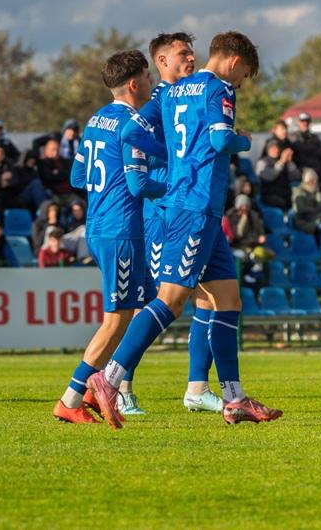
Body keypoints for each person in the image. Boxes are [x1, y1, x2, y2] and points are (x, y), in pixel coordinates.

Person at [90, 32, 281, 428]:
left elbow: (131, 133)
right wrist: (243, 141)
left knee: (228, 300)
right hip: (192, 206)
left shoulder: (168, 92)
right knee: (171, 301)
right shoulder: (219, 89)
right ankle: (109, 378)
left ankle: (234, 398)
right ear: (233, 61)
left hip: (200, 208)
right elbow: (219, 138)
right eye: (244, 73)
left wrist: (174, 155)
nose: (242, 81)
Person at [50, 50, 159, 425]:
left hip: (102, 225)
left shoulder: (96, 119)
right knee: (115, 320)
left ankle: (107, 384)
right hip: (120, 229)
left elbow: (78, 179)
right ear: (133, 83)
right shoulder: (133, 123)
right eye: (147, 76)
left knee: (150, 305)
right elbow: (137, 183)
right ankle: (72, 397)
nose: (152, 82)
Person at [139, 30, 224, 415]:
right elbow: (131, 134)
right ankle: (117, 381)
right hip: (166, 212)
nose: (191, 59)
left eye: (193, 53)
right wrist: (172, 158)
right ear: (162, 62)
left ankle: (197, 386)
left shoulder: (187, 95)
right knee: (165, 300)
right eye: (183, 54)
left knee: (210, 296)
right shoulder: (161, 97)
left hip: (192, 205)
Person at [256, 140, 299, 211]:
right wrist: (281, 162)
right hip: (269, 194)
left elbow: (296, 177)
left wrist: (290, 162)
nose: (275, 150)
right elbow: (269, 177)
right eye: (272, 148)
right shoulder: (262, 162)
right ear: (268, 150)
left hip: (285, 192)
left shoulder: (284, 162)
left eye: (277, 148)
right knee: (281, 203)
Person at [38, 137, 74, 204]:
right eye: (52, 150)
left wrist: (57, 173)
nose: (55, 152)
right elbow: (48, 178)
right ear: (46, 150)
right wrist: (62, 175)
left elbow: (69, 174)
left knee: (81, 204)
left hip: (69, 192)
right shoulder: (42, 162)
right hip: (53, 194)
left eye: (57, 149)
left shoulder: (63, 161)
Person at [291, 168, 321, 236]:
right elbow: (301, 209)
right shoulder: (299, 191)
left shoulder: (314, 191)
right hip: (303, 221)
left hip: (314, 217)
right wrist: (315, 210)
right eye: (312, 181)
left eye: (315, 181)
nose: (314, 183)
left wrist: (318, 192)